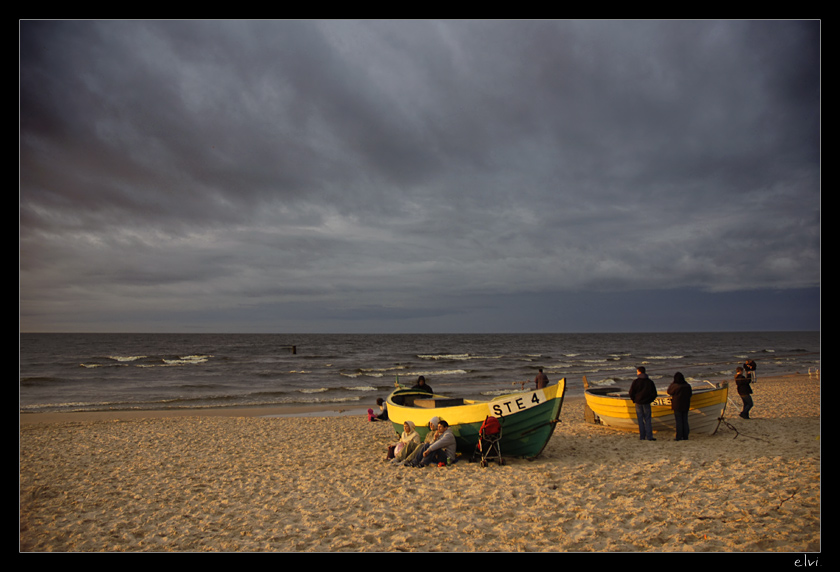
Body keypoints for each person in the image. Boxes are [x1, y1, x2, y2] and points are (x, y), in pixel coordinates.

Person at [628, 366, 658, 441]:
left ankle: (642, 436)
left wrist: (634, 399)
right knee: (648, 419)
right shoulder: (649, 382)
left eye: (637, 371)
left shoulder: (636, 382)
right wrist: (650, 399)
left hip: (639, 402)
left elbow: (631, 392)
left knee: (640, 419)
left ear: (639, 372)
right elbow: (654, 393)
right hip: (647, 402)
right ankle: (649, 436)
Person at [667, 372, 693, 441]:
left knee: (679, 422)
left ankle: (679, 436)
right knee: (685, 421)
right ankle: (685, 436)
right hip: (686, 405)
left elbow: (669, 391)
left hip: (677, 405)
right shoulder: (687, 386)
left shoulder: (675, 386)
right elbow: (690, 394)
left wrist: (672, 383)